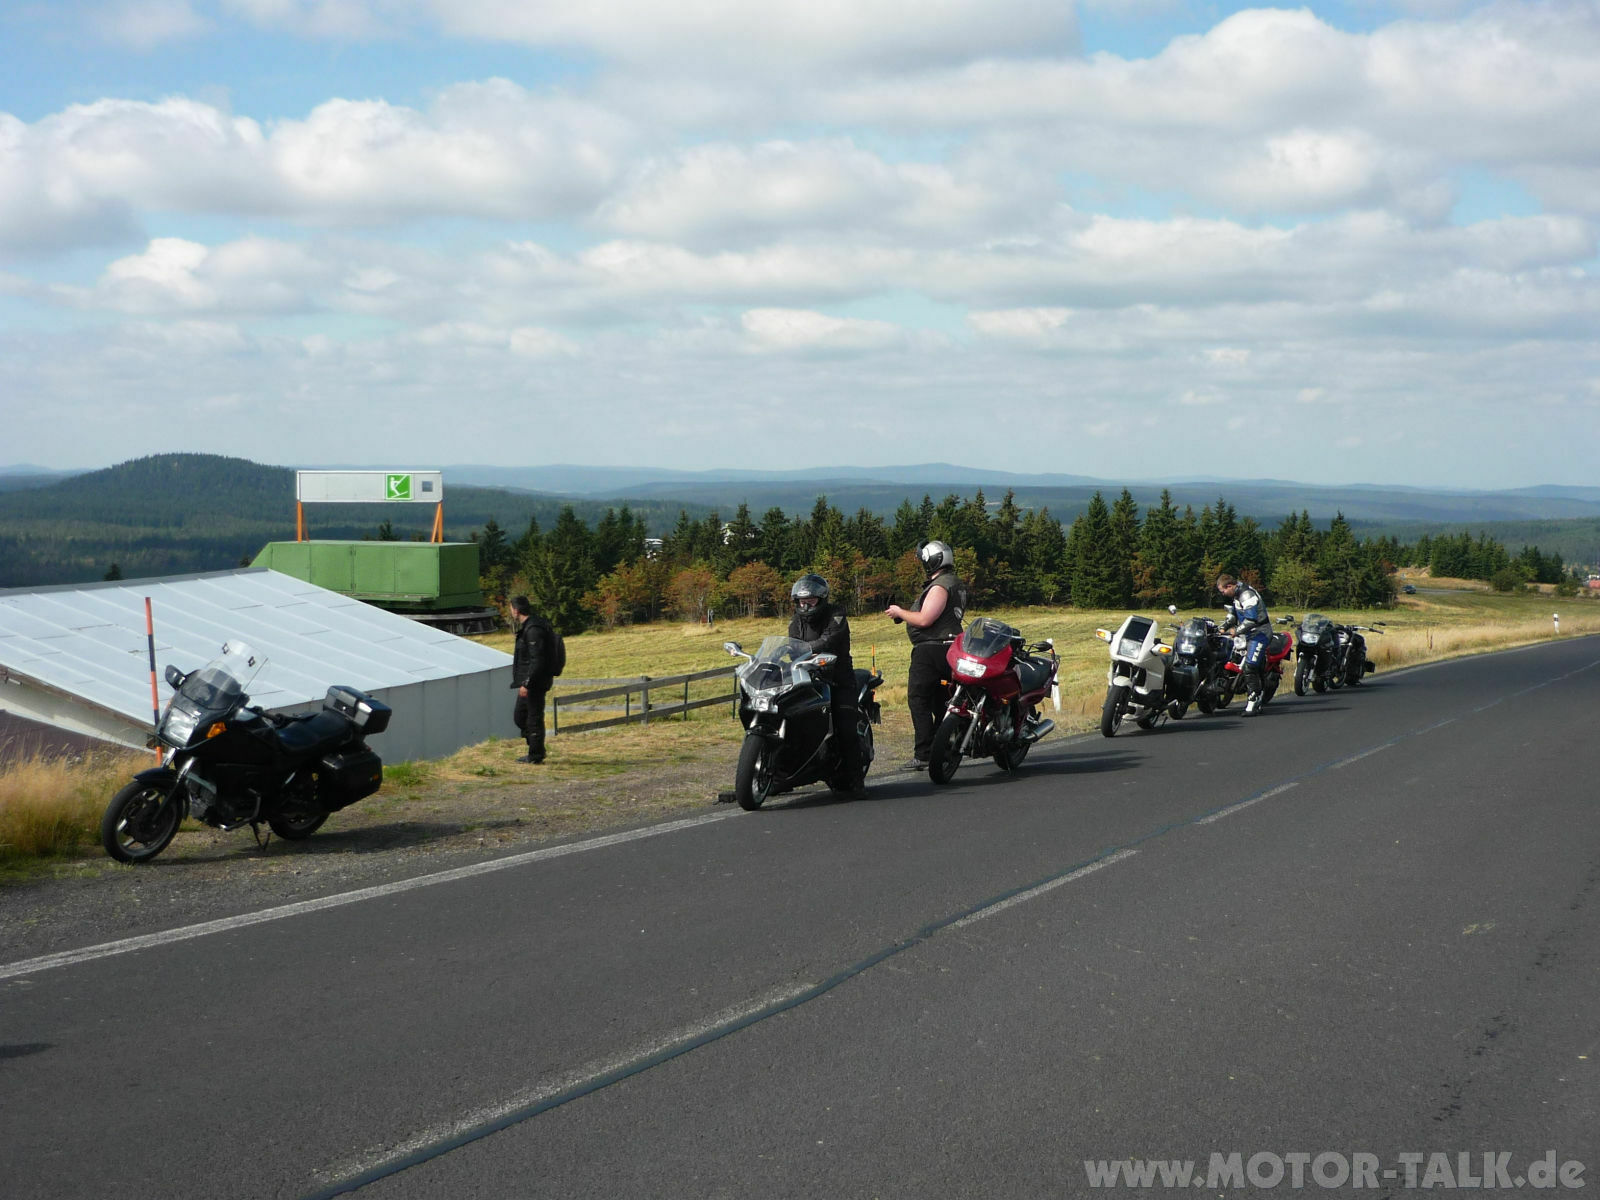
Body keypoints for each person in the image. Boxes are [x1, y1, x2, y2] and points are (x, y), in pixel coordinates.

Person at [884, 540, 969, 770]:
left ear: (931, 562)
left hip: (931, 650)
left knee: (919, 698)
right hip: (949, 649)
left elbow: (925, 619)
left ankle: (924, 753)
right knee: (941, 700)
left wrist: (899, 611)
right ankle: (944, 749)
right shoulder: (954, 583)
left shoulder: (940, 586)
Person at [788, 573, 867, 799]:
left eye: (810, 600)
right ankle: (781, 775)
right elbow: (792, 647)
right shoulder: (796, 622)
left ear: (821, 599)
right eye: (801, 601)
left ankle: (856, 780)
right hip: (808, 677)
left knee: (845, 728)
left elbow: (829, 640)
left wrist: (804, 649)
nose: (805, 605)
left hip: (839, 679)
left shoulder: (837, 614)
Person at [509, 595, 554, 764]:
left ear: (516, 610)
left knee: (532, 718)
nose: (511, 611)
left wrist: (527, 683)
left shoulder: (533, 629)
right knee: (521, 717)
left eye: (511, 608)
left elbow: (537, 660)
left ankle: (535, 755)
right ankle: (535, 749)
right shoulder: (530, 626)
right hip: (531, 681)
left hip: (534, 683)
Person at [1216, 573, 1271, 708]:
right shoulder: (1237, 594)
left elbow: (1251, 620)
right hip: (1247, 634)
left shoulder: (1246, 594)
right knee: (1232, 659)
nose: (1223, 594)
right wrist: (1223, 627)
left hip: (1260, 633)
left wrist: (1236, 631)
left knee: (1249, 667)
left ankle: (1253, 701)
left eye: (1223, 591)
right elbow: (1235, 614)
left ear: (1229, 586)